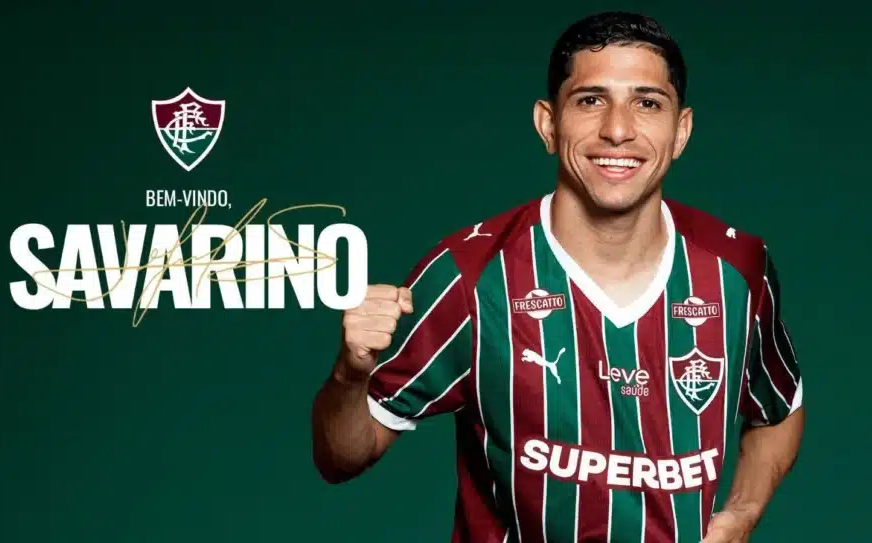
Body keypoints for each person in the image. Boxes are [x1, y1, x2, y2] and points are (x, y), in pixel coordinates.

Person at [311, 11, 804, 543]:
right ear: (549, 124)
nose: (618, 130)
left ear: (680, 130)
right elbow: (343, 456)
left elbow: (779, 406)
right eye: (591, 100)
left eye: (647, 103)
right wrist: (349, 375)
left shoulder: (737, 270)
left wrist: (742, 514)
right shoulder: (471, 276)